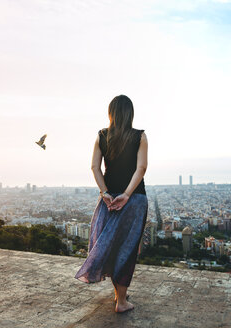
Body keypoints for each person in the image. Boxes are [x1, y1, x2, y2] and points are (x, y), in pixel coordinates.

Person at [74, 94, 148, 313]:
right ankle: (122, 301)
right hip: (133, 199)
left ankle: (119, 296)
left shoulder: (101, 136)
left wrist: (105, 191)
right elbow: (141, 168)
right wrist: (127, 194)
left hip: (108, 199)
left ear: (111, 114)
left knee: (111, 246)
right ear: (130, 113)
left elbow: (95, 167)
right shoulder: (140, 137)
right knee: (128, 247)